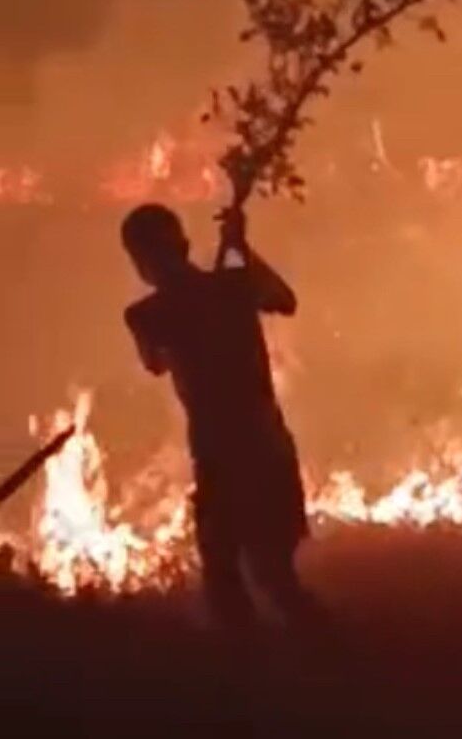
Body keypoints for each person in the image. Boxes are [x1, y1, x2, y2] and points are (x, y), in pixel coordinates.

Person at [121, 202, 321, 632]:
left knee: (231, 586)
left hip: (223, 460)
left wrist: (233, 248)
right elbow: (278, 298)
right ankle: (325, 668)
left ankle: (269, 678)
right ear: (185, 244)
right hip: (266, 449)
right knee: (273, 580)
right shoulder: (227, 286)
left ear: (139, 264)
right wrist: (235, 246)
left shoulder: (147, 314)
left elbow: (154, 360)